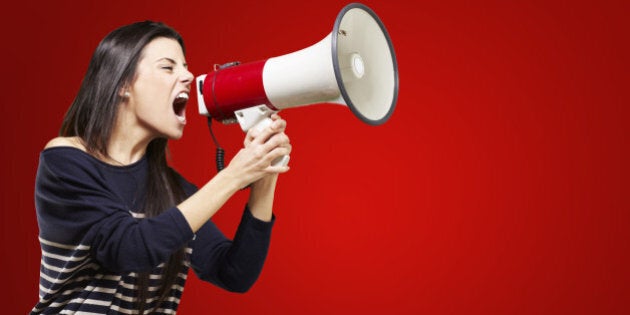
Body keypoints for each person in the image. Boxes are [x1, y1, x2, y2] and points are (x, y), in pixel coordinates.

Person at [30, 21, 291, 314]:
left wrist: (265, 172)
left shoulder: (173, 191)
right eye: (168, 67)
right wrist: (234, 175)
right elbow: (130, 248)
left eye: (185, 66)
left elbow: (234, 274)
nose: (189, 75)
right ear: (123, 84)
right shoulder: (66, 161)